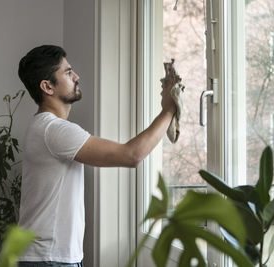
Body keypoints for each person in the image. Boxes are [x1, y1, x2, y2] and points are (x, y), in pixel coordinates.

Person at [17, 45, 178, 267]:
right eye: (67, 72)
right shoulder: (53, 130)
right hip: (48, 260)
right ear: (47, 87)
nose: (76, 76)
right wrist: (168, 110)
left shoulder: (45, 128)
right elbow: (131, 155)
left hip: (50, 258)